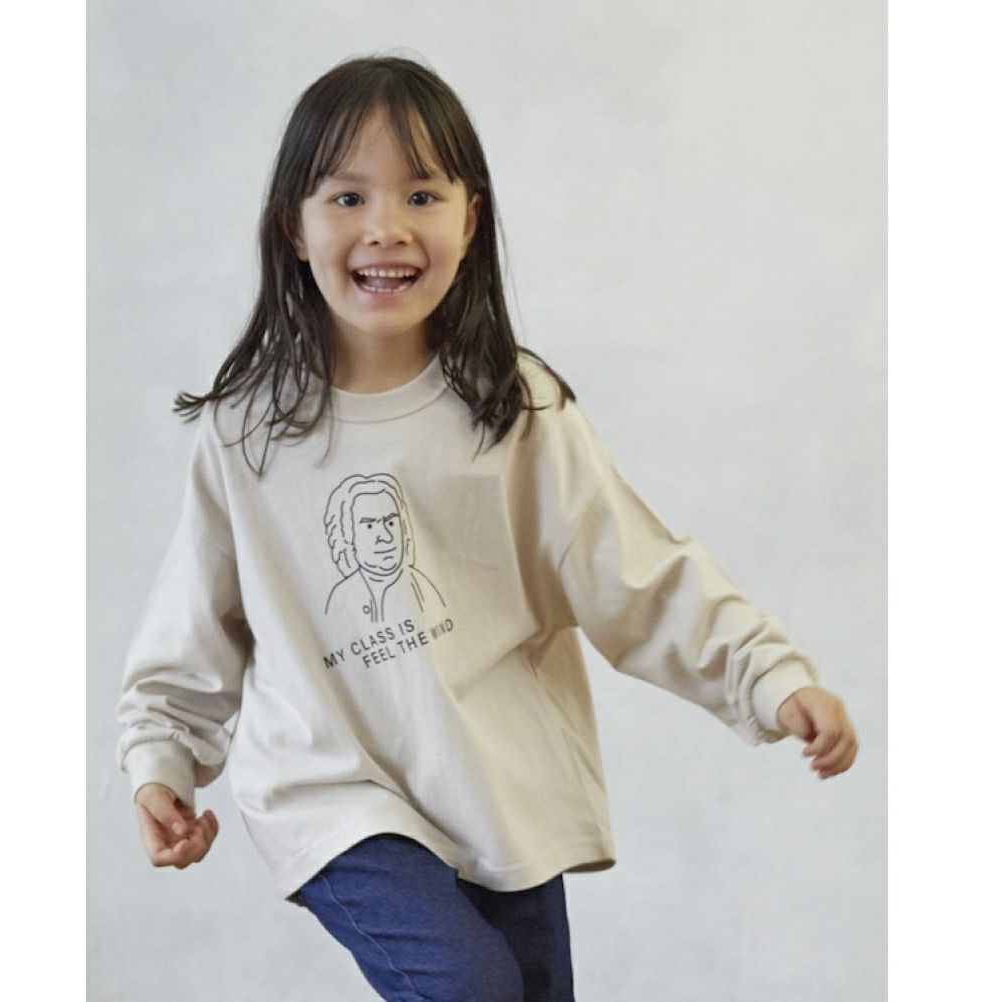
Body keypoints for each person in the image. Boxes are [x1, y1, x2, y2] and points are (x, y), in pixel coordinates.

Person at [117, 54, 858, 1002]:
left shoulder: (515, 409)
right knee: (471, 986)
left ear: (470, 220)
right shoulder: (247, 434)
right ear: (294, 228)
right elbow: (192, 631)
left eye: (422, 194)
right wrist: (162, 764)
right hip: (330, 792)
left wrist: (766, 675)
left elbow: (637, 575)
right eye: (347, 197)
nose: (386, 227)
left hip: (497, 784)